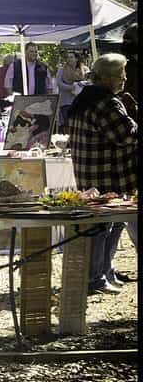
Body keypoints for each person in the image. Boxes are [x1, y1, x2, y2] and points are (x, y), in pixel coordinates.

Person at [66, 53, 137, 295]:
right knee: (103, 227)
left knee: (111, 225)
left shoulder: (83, 99)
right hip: (108, 175)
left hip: (89, 173)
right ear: (106, 78)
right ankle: (95, 277)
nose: (125, 79)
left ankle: (105, 271)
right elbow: (125, 135)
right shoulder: (106, 102)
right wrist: (133, 114)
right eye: (120, 75)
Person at [56, 50, 87, 128]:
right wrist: (72, 87)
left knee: (79, 124)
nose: (69, 59)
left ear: (76, 59)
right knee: (68, 124)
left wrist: (81, 84)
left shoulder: (84, 70)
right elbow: (59, 84)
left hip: (80, 101)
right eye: (67, 57)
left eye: (71, 57)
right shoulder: (62, 70)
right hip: (66, 101)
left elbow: (89, 81)